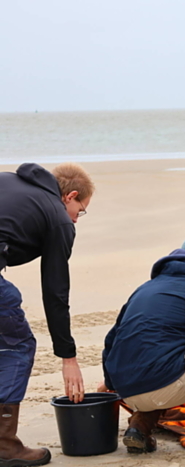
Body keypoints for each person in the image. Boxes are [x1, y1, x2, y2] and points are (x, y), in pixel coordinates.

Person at [99, 238, 185, 454]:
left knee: (165, 357)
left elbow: (111, 340)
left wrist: (110, 385)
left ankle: (140, 427)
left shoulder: (145, 288)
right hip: (164, 384)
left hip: (126, 389)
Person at [0, 162, 94, 467]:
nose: (76, 221)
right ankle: (4, 446)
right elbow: (55, 293)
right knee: (16, 346)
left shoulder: (9, 181)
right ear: (71, 196)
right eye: (81, 211)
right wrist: (68, 358)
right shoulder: (58, 218)